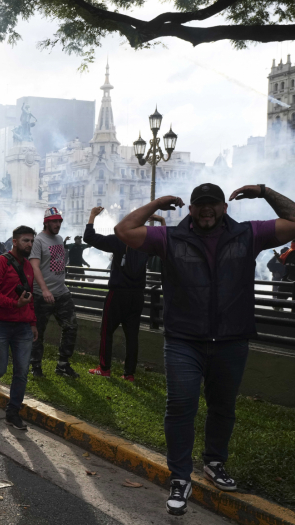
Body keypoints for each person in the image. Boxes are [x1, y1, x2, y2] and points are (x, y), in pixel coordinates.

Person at [113, 183, 295, 516]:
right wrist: (160, 202)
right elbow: (123, 229)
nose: (207, 209)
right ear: (191, 209)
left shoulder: (248, 234)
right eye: (200, 204)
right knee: (181, 405)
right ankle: (180, 477)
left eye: (213, 204)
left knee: (223, 406)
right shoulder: (170, 238)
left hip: (231, 338)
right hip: (184, 339)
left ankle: (214, 462)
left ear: (225, 207)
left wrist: (265, 192)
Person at [84, 207, 164, 381]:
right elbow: (163, 243)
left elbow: (88, 237)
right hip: (137, 296)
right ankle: (129, 374)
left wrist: (92, 216)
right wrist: (161, 223)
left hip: (118, 294)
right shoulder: (146, 242)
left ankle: (104, 369)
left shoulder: (119, 240)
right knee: (132, 335)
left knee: (106, 331)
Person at [0, 225, 37, 431]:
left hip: (23, 327)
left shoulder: (28, 267)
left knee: (21, 372)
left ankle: (13, 413)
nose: (29, 244)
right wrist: (14, 304)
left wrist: (33, 322)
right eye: (25, 240)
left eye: (31, 241)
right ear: (15, 241)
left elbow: (30, 297)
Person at [29, 207, 80, 378]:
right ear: (46, 222)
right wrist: (44, 290)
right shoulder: (39, 241)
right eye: (54, 221)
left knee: (71, 326)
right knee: (38, 332)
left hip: (61, 293)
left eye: (60, 221)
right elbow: (34, 266)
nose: (58, 224)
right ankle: (35, 366)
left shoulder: (58, 239)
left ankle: (63, 365)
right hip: (41, 295)